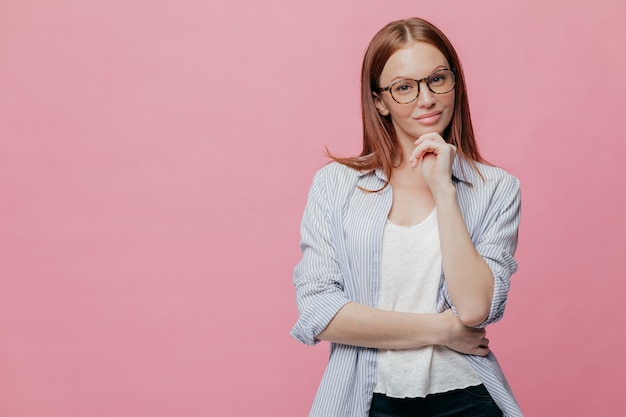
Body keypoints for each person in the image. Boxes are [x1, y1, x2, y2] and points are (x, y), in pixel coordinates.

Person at [290, 17, 523, 417]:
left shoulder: (496, 188)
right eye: (404, 87)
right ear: (379, 101)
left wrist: (445, 190)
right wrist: (441, 330)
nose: (426, 98)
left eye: (437, 79)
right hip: (367, 400)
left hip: (467, 399)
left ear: (455, 82)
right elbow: (319, 311)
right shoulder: (337, 184)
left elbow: (474, 310)